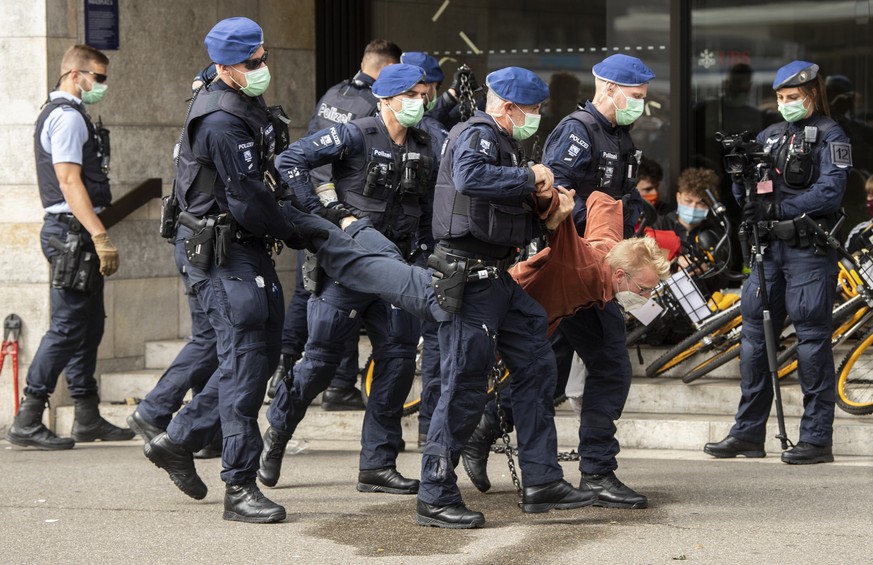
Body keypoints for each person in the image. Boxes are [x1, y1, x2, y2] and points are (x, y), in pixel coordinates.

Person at [462, 54, 656, 510]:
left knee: (566, 370)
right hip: (575, 267)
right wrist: (601, 241)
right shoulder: (577, 131)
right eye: (636, 97)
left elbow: (617, 196)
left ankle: (491, 431)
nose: (641, 106)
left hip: (596, 268)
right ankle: (592, 471)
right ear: (607, 88)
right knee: (581, 370)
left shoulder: (618, 136)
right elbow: (556, 196)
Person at [416, 66, 597, 529]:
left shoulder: (504, 141)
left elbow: (502, 214)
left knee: (538, 364)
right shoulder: (476, 134)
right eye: (532, 110)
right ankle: (435, 492)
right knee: (463, 384)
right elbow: (471, 178)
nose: (536, 118)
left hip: (495, 277)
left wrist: (550, 214)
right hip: (466, 278)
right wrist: (529, 175)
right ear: (507, 107)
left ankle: (542, 480)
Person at [142, 17, 300, 523]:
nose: (262, 68)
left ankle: (179, 438)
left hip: (241, 247)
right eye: (253, 63)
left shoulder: (235, 97)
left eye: (263, 57)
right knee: (248, 360)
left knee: (257, 354)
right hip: (224, 251)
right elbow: (250, 198)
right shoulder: (219, 119)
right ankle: (239, 486)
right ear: (226, 65)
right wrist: (301, 230)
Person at [259, 64, 437, 496]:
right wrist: (325, 216)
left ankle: (377, 464)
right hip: (350, 264)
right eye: (410, 94)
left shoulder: (427, 144)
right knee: (319, 363)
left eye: (423, 93)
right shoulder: (356, 133)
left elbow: (430, 209)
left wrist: (429, 255)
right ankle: (276, 438)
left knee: (395, 362)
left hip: (398, 266)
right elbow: (290, 160)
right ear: (388, 99)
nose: (420, 101)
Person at [704, 60, 852, 464]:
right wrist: (740, 174)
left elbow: (829, 193)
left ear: (811, 94)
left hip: (807, 250)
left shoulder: (830, 135)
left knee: (810, 341)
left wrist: (780, 210)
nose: (785, 104)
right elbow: (751, 198)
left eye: (793, 98)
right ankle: (748, 434)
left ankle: (816, 438)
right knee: (754, 342)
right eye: (780, 98)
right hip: (768, 251)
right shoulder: (769, 136)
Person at [6, 44, 133, 450]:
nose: (103, 85)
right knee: (66, 327)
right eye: (98, 77)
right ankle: (28, 417)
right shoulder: (66, 118)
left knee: (89, 325)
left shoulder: (69, 114)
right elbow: (69, 182)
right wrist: (98, 234)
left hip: (73, 231)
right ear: (75, 75)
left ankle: (87, 414)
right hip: (71, 232)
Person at [270, 39, 403, 409]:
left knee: (310, 293)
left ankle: (286, 369)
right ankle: (334, 382)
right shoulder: (371, 110)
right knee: (344, 298)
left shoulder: (335, 93)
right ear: (388, 71)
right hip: (343, 214)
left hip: (311, 204)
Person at [127, 70, 222, 460]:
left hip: (192, 241)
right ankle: (154, 409)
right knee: (215, 339)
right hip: (203, 244)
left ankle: (206, 433)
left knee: (212, 339)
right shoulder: (213, 123)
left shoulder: (194, 119)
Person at [399, 51, 450, 449]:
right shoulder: (366, 131)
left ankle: (426, 431)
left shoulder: (432, 134)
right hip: (393, 251)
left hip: (419, 248)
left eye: (423, 90)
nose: (422, 96)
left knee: (428, 344)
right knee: (406, 348)